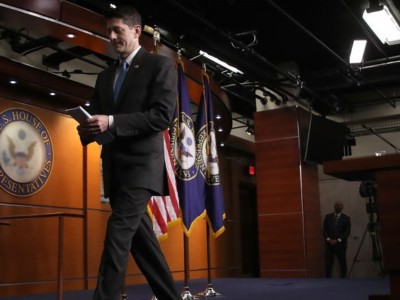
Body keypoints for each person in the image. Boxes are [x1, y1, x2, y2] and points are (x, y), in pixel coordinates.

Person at [75, 5, 181, 300]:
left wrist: (111, 121)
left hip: (141, 169)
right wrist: (86, 127)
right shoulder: (105, 76)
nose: (111, 36)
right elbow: (97, 115)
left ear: (136, 31)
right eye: (108, 31)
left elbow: (162, 116)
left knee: (117, 235)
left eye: (117, 30)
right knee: (142, 243)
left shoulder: (159, 66)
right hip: (114, 170)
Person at [323, 201, 351, 278]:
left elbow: (347, 232)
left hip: (341, 245)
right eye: (337, 206)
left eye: (340, 206)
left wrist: (338, 240)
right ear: (334, 206)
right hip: (329, 245)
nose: (338, 207)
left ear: (342, 208)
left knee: (342, 263)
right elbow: (324, 230)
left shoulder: (346, 218)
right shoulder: (328, 217)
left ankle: (344, 280)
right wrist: (328, 239)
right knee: (328, 264)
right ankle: (327, 280)